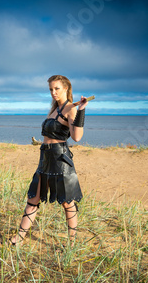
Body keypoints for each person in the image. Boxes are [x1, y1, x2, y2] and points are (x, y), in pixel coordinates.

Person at [9, 75, 89, 246]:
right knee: (33, 198)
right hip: (45, 157)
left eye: (56, 89)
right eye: (51, 89)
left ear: (66, 89)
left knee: (68, 203)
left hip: (60, 159)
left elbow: (77, 137)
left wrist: (81, 110)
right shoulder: (55, 108)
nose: (53, 92)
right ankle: (19, 239)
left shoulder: (70, 108)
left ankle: (72, 244)